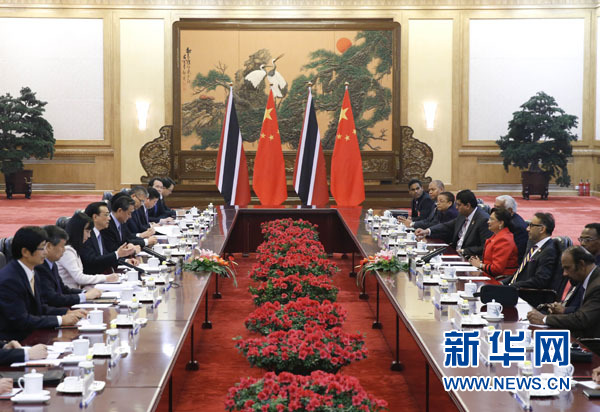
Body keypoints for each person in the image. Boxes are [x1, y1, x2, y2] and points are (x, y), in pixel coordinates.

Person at [0, 227, 85, 340]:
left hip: (32, 334)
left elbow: (39, 309)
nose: (45, 252)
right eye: (42, 248)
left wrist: (66, 312)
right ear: (25, 252)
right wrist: (60, 320)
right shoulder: (10, 280)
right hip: (16, 341)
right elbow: (21, 320)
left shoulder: (31, 271)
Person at [527, 246, 600, 338]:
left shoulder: (597, 286)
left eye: (567, 268)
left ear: (581, 264)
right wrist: (562, 310)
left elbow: (582, 319)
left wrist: (544, 319)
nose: (564, 273)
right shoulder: (588, 279)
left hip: (590, 342)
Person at [36, 225, 102, 307]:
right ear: (49, 246)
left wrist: (85, 293)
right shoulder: (40, 267)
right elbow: (52, 298)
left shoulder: (52, 264)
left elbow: (64, 290)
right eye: (62, 246)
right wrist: (84, 296)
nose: (64, 250)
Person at [415, 189, 492, 257]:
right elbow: (446, 226)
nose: (456, 207)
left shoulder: (483, 220)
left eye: (458, 205)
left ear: (468, 206)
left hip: (469, 257)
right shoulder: (462, 215)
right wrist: (427, 231)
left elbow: (485, 247)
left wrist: (464, 251)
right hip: (455, 252)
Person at [58, 212, 120, 289]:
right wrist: (106, 278)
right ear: (78, 231)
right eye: (87, 231)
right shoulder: (67, 251)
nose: (89, 236)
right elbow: (79, 278)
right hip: (70, 293)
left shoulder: (74, 249)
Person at [504, 212, 561, 291]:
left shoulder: (549, 251)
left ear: (542, 229)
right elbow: (519, 273)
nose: (527, 229)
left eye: (531, 225)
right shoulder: (533, 247)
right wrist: (502, 283)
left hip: (526, 294)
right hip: (516, 289)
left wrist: (513, 286)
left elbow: (540, 281)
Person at [81, 202, 136, 274]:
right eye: (106, 215)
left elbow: (105, 256)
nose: (109, 218)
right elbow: (92, 261)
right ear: (95, 217)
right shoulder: (86, 236)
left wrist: (125, 261)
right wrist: (117, 254)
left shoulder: (99, 233)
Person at [468, 208, 518, 279]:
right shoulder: (497, 236)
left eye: (491, 219)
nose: (488, 222)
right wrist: (479, 263)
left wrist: (480, 265)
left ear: (501, 223)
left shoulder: (504, 240)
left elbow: (497, 269)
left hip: (500, 280)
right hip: (490, 276)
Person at [494, 195, 528, 262]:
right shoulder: (504, 220)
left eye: (498, 208)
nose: (494, 211)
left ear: (509, 210)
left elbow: (517, 253)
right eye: (494, 207)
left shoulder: (517, 227)